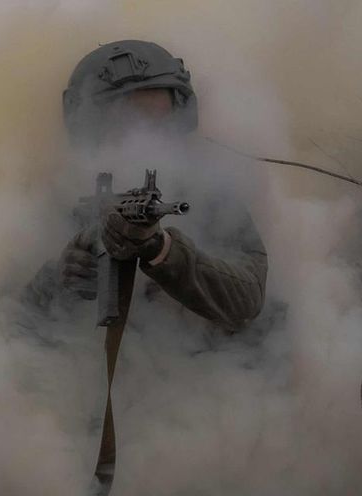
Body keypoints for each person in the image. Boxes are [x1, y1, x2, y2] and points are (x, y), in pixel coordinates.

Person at [23, 40, 268, 333]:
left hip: (201, 368)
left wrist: (162, 250)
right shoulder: (57, 202)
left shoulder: (211, 197)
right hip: (95, 372)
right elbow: (12, 325)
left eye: (158, 124)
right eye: (125, 126)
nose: (145, 141)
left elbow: (246, 300)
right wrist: (57, 283)